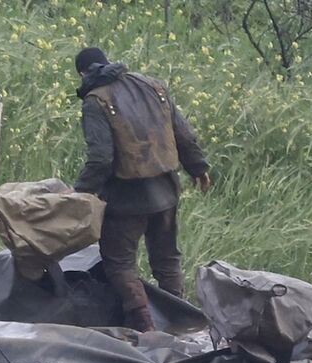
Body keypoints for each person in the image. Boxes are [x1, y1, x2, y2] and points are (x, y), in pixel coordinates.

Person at [73, 47, 211, 333]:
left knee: (119, 263)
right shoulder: (153, 86)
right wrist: (198, 167)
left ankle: (145, 326)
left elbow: (101, 158)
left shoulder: (95, 101)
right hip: (166, 191)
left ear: (82, 73)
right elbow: (182, 132)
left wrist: (79, 194)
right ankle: (182, 325)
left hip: (126, 199)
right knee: (167, 259)